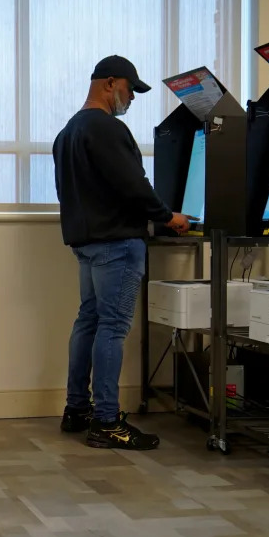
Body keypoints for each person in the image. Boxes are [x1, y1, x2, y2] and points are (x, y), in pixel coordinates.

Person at [53, 55, 191, 450]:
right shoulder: (107, 128)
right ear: (110, 83)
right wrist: (169, 217)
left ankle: (77, 410)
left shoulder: (67, 133)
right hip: (117, 244)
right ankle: (107, 421)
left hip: (86, 244)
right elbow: (133, 186)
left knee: (89, 323)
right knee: (112, 328)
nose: (131, 99)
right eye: (131, 90)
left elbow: (68, 194)